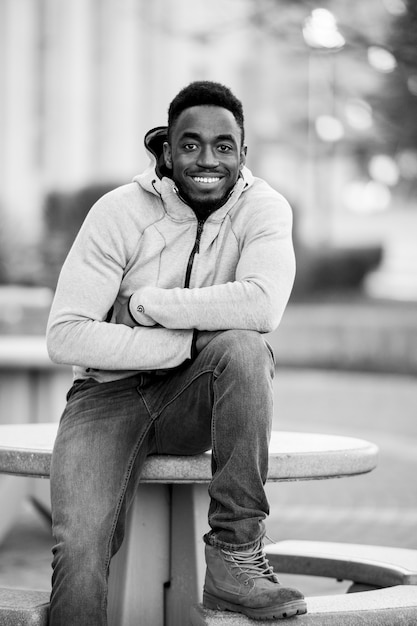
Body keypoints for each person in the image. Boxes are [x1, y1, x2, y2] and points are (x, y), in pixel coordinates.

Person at [46, 80, 306, 623]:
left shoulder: (264, 209)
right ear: (166, 149)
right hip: (105, 395)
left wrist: (147, 304)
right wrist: (185, 339)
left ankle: (234, 557)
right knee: (79, 552)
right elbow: (66, 334)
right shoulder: (119, 210)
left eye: (223, 145)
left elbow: (262, 309)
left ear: (242, 152)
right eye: (190, 145)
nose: (207, 159)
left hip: (194, 398)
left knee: (244, 349)